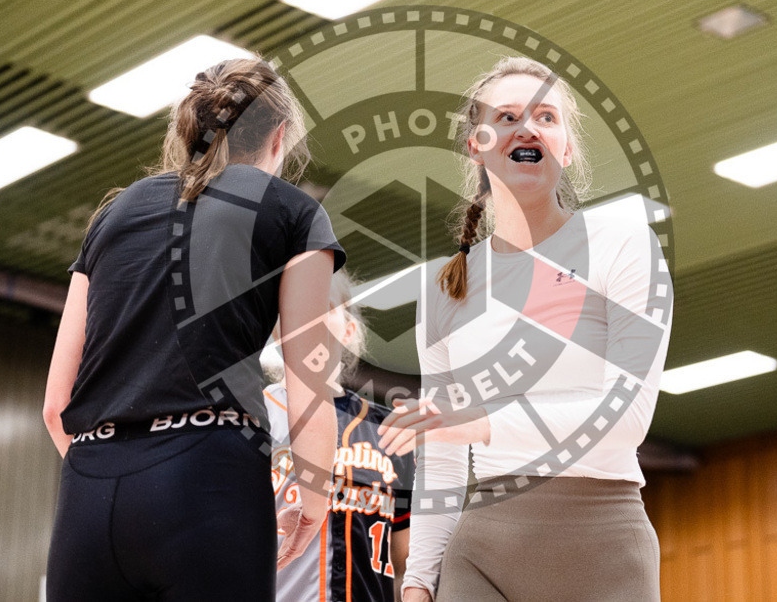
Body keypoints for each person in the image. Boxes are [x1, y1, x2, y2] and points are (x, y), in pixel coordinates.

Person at [42, 56, 346, 600]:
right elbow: (307, 386)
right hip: (207, 477)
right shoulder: (293, 211)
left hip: (89, 486)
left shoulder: (114, 213)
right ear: (279, 138)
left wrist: (114, 471)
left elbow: (55, 402)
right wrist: (313, 498)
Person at [377, 56, 674, 601]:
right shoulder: (446, 287)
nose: (527, 128)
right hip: (482, 555)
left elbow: (625, 417)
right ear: (477, 144)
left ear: (567, 147)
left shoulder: (625, 245)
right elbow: (441, 457)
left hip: (604, 549)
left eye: (546, 116)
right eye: (508, 116)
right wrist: (418, 582)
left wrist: (480, 421)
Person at [264, 269, 415, 602]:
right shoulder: (252, 418)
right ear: (277, 329)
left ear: (348, 330)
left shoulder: (389, 430)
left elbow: (408, 557)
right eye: (297, 308)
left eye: (323, 307)